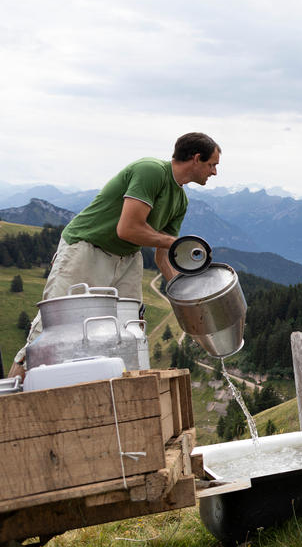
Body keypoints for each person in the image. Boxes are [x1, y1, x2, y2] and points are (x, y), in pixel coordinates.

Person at [8, 132, 221, 379]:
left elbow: (163, 257)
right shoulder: (151, 171)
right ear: (196, 158)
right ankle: (14, 395)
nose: (214, 172)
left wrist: (186, 300)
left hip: (128, 259)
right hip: (88, 248)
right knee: (53, 329)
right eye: (212, 164)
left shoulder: (180, 200)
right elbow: (128, 228)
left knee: (129, 332)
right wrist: (177, 242)